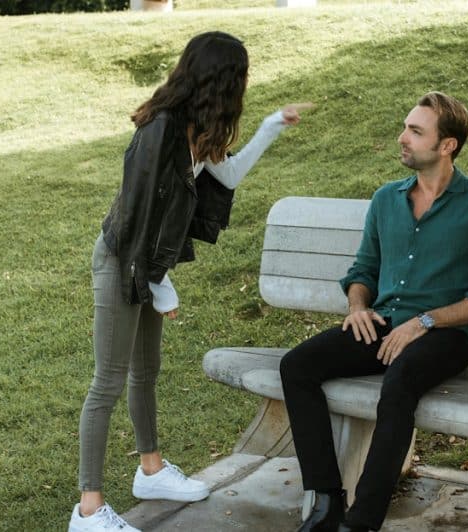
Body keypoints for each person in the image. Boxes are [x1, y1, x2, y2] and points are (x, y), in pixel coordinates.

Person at [70, 31, 310, 532]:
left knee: (146, 372)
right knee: (107, 383)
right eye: (239, 79)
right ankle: (88, 510)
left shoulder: (196, 129)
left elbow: (227, 177)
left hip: (147, 267)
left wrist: (270, 126)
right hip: (122, 262)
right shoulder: (161, 131)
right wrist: (157, 284)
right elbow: (137, 216)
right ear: (220, 81)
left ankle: (151, 471)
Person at [279, 92, 468, 532]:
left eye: (416, 131)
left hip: (446, 335)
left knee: (402, 377)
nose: (402, 138)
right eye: (406, 127)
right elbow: (362, 269)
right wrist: (358, 306)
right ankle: (327, 500)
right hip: (385, 323)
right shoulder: (387, 198)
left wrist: (424, 322)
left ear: (448, 146)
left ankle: (362, 521)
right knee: (297, 366)